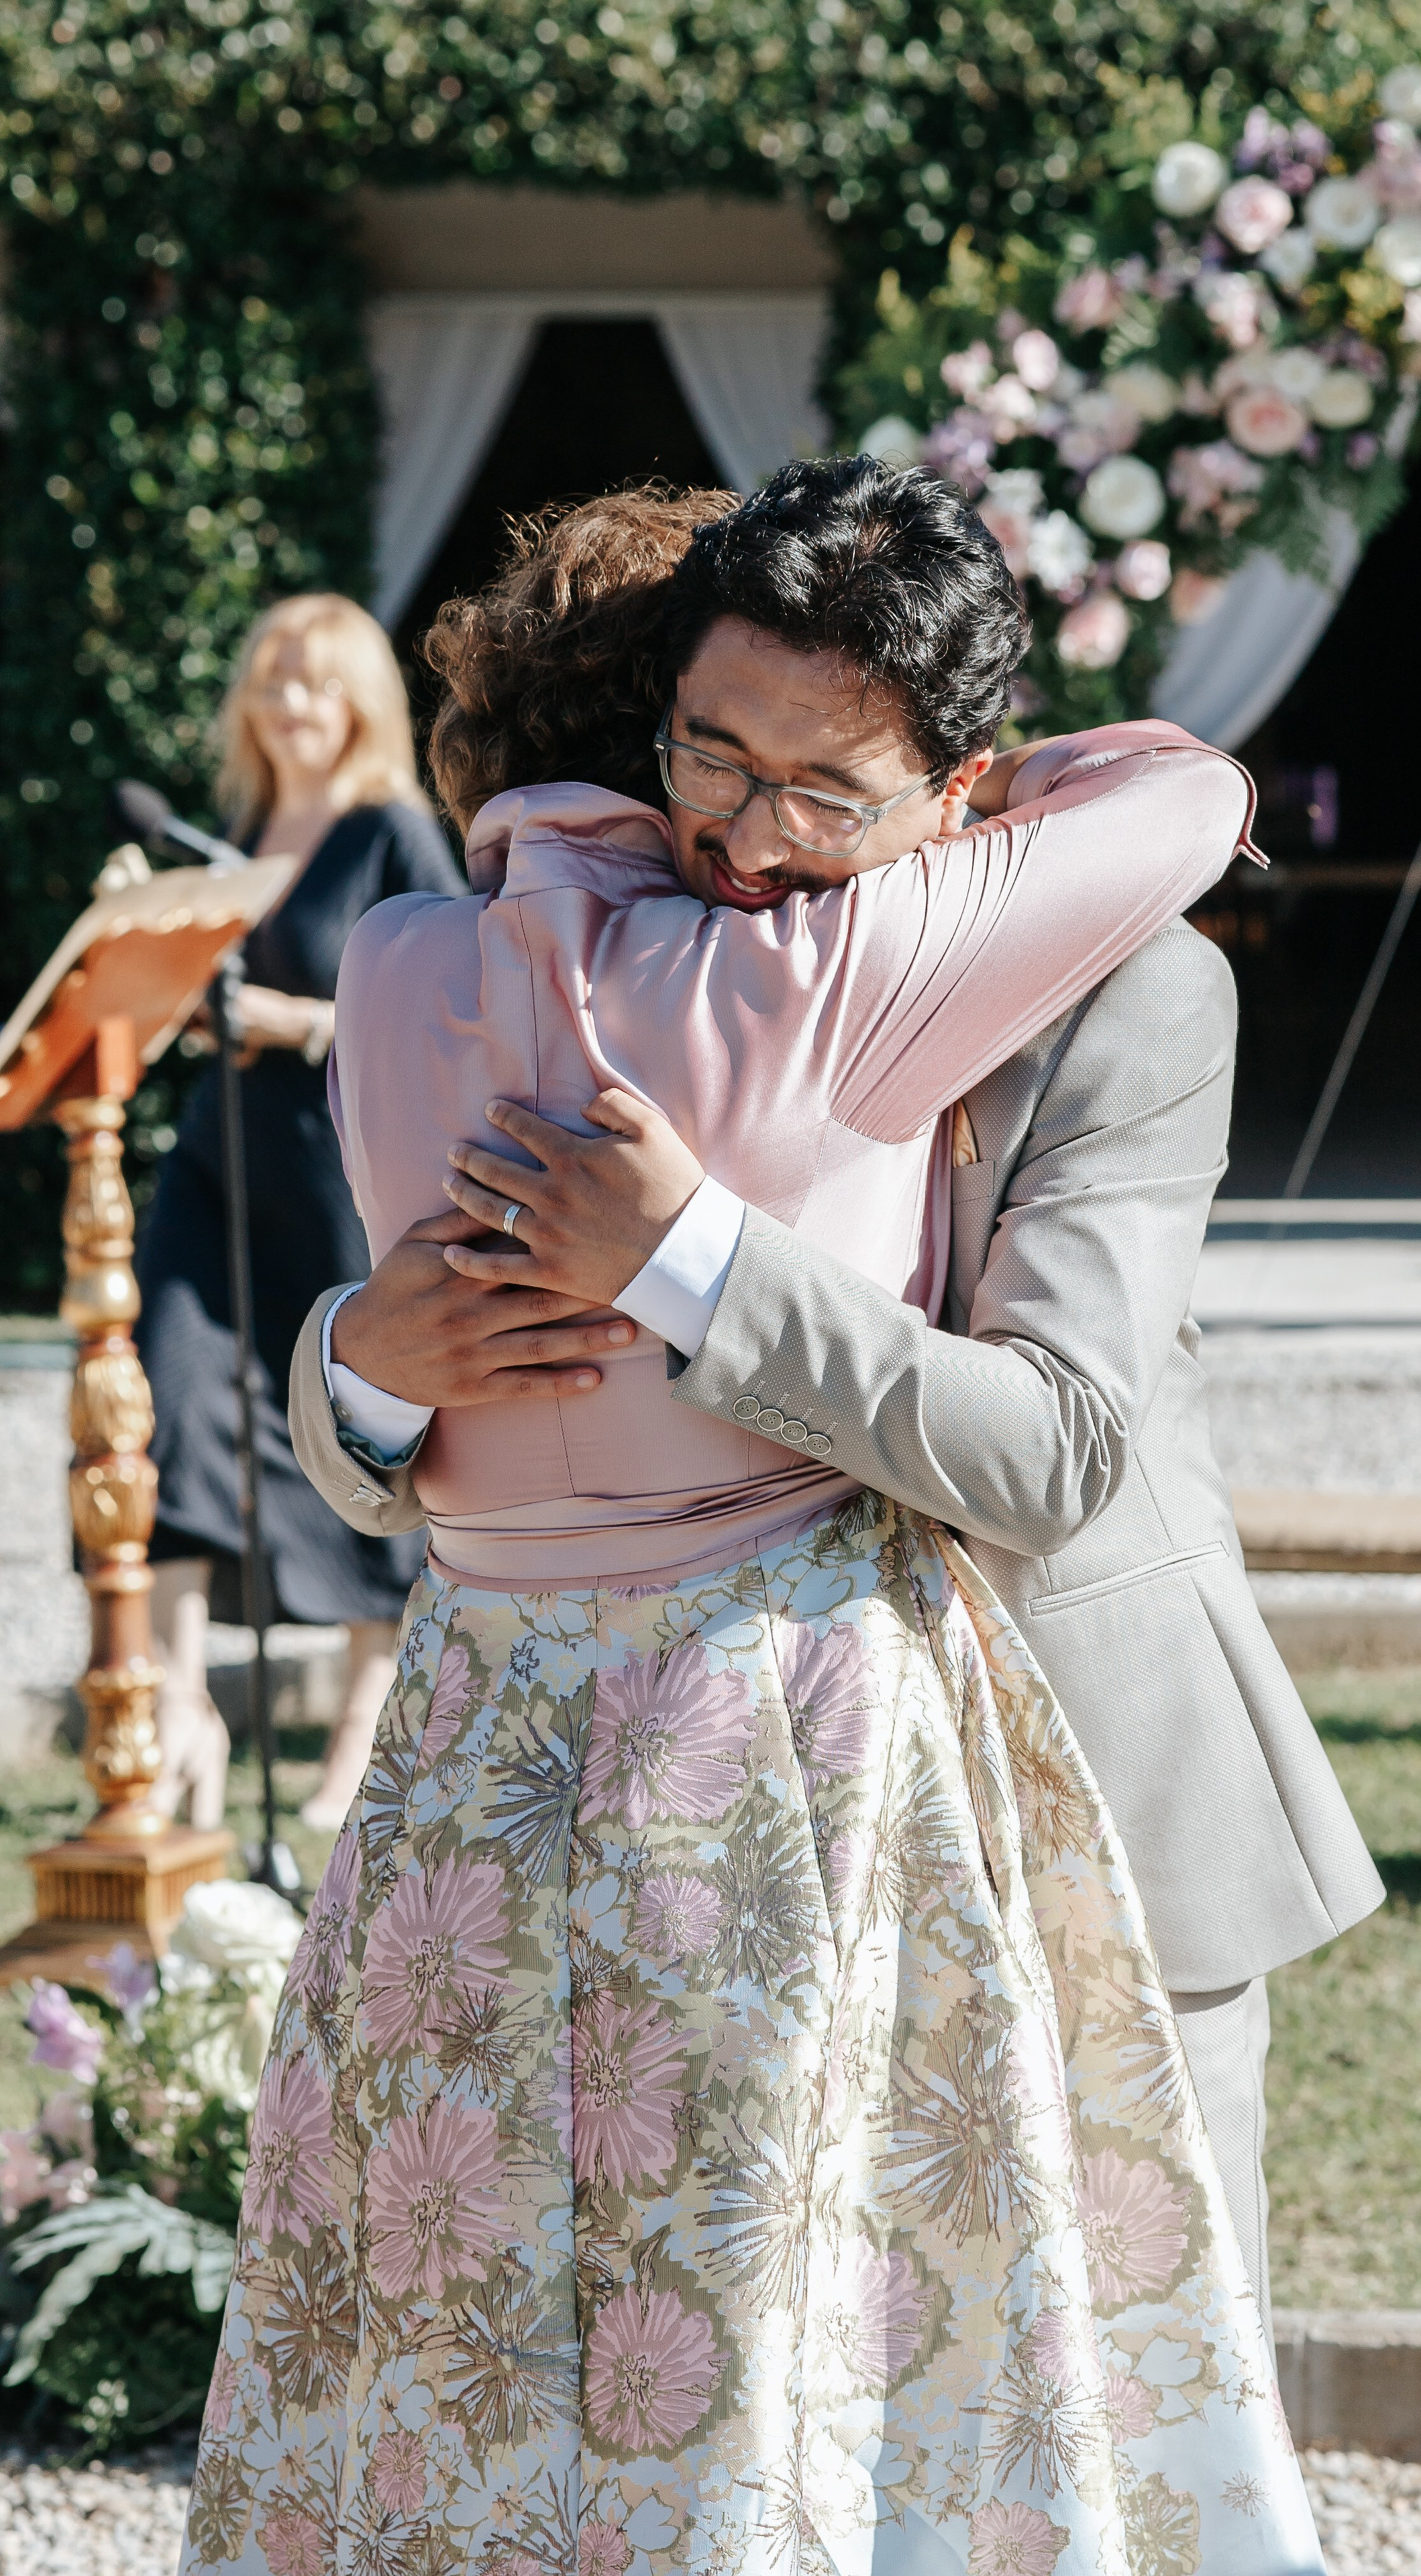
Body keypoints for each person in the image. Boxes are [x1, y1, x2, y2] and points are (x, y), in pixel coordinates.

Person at [185, 466, 1328, 2571]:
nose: (751, 835)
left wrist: (692, 1256)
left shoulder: (1134, 994)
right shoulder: (646, 968)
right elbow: (411, 1440)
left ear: (964, 787)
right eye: (710, 752)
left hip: (1084, 1793)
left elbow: (1060, 1446)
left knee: (1105, 2469)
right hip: (724, 1857)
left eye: (830, 788)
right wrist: (373, 1358)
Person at [134, 594, 465, 1835]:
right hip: (217, 1161)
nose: (290, 705)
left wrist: (303, 1025)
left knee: (360, 1418)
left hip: (336, 1164)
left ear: (361, 702)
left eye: (317, 684)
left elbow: (450, 991)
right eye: (272, 681)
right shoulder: (239, 829)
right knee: (168, 1390)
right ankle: (180, 1705)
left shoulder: (390, 832)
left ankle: (358, 1737)